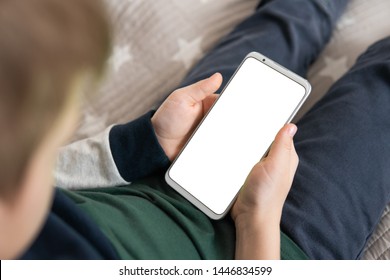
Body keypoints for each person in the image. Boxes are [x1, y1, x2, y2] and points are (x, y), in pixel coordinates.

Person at [1, 0, 389, 260]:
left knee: (287, 20)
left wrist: (146, 139)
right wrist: (259, 222)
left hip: (166, 169)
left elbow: (58, 173)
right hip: (282, 242)